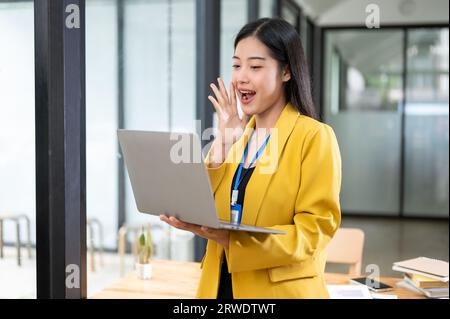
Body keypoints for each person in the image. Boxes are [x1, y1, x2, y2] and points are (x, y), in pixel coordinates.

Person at [160, 17, 342, 299]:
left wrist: (230, 239)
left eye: (255, 66)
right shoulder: (237, 138)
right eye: (236, 65)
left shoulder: (314, 137)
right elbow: (212, 210)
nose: (241, 76)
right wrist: (221, 143)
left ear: (286, 72)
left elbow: (313, 233)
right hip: (219, 287)